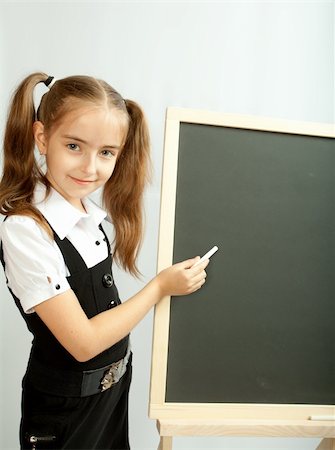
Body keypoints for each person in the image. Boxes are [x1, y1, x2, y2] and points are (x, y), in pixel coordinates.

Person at [0, 72, 209, 450]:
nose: (90, 168)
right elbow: (83, 343)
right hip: (66, 412)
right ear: (42, 138)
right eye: (75, 146)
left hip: (109, 397)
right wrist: (160, 287)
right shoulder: (26, 230)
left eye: (106, 153)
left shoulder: (88, 214)